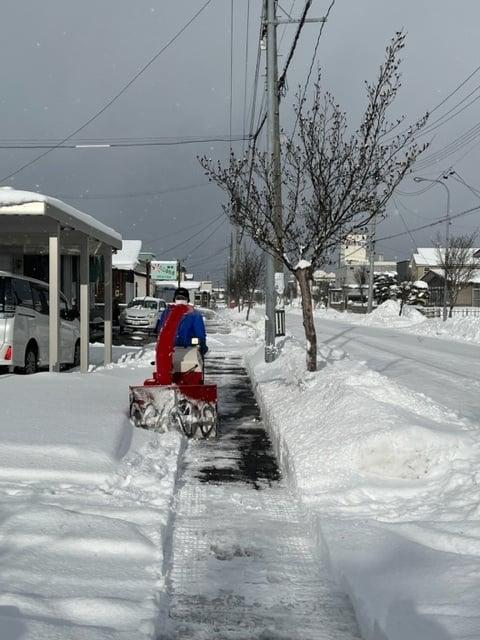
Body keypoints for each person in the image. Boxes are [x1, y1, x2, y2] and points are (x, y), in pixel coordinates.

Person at [155, 287, 208, 355]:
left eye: (183, 298)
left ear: (187, 300)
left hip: (189, 348)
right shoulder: (167, 313)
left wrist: (202, 344)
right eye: (178, 298)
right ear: (174, 299)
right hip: (170, 349)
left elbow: (200, 332)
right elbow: (161, 329)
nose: (181, 300)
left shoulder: (194, 314)